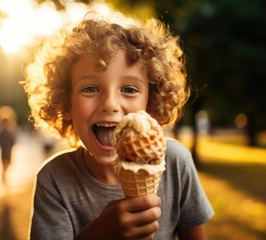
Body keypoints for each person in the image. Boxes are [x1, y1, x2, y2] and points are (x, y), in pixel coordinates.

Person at [24, 16, 214, 240]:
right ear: (67, 104)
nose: (110, 104)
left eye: (130, 89)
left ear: (151, 102)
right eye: (91, 88)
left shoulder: (176, 163)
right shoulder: (54, 180)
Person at [0, 118, 16, 185]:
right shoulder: (7, 132)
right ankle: (4, 175)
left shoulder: (7, 132)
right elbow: (14, 141)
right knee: (7, 163)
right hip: (6, 151)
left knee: (6, 164)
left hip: (5, 150)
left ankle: (4, 174)